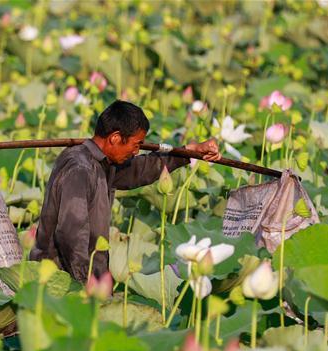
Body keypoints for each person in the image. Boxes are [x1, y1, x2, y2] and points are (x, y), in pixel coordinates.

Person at [29, 100, 220, 283]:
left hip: (85, 277)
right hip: (59, 281)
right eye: (136, 144)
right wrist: (85, 284)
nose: (137, 151)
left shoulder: (103, 164)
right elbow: (71, 234)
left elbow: (141, 169)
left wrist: (190, 152)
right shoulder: (80, 168)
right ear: (115, 138)